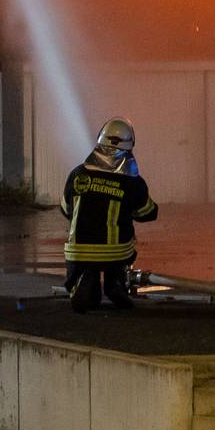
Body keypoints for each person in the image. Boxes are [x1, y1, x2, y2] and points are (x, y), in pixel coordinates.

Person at [60, 117, 157, 312]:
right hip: (115, 252)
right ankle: (117, 283)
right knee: (125, 240)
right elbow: (147, 213)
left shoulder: (77, 174)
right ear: (130, 146)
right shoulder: (132, 181)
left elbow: (64, 209)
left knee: (80, 258)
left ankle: (79, 282)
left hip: (77, 250)